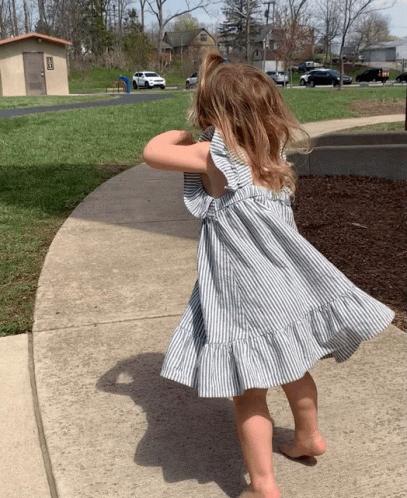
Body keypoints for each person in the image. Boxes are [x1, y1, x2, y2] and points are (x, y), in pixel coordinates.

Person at [142, 51, 394, 498]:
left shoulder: (215, 155)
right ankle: (308, 437)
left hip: (242, 294)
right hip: (286, 286)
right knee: (295, 366)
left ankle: (262, 485)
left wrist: (182, 134)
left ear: (214, 113)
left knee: (248, 392)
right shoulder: (271, 155)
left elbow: (153, 152)